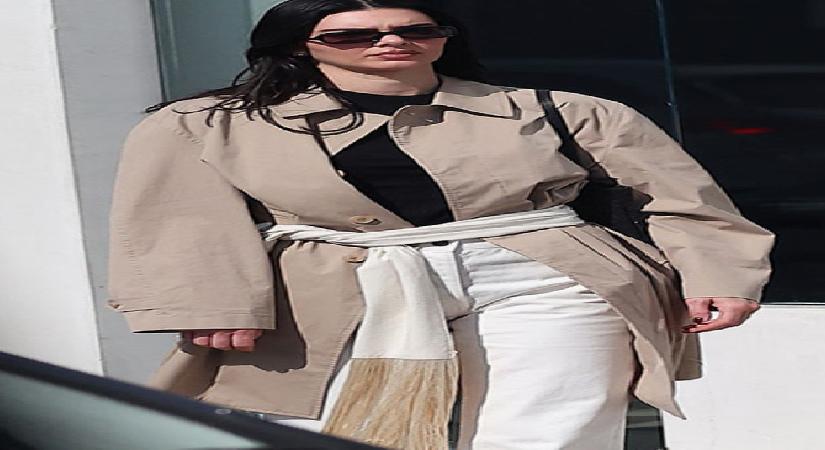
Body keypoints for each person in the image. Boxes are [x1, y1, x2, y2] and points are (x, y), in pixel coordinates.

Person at [107, 0, 774, 448]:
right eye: (353, 35)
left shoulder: (559, 109)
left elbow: (685, 199)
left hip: (548, 273)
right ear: (299, 48)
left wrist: (720, 274)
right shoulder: (206, 123)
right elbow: (179, 218)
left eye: (415, 30)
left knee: (553, 430)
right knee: (347, 427)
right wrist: (211, 304)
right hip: (330, 285)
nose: (390, 41)